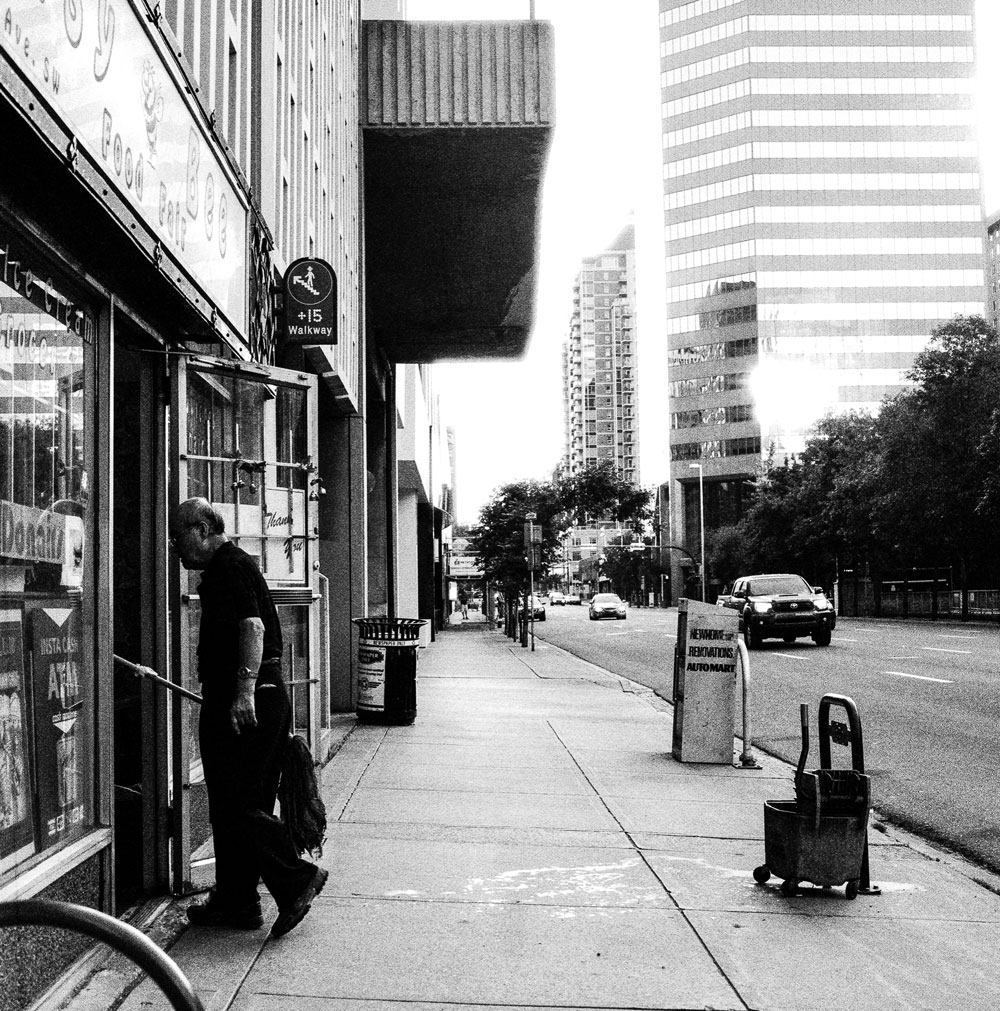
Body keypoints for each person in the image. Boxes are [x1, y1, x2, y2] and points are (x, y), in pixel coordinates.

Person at [170, 497, 327, 937]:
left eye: (177, 535)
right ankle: (236, 899)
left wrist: (242, 693)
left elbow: (252, 627)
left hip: (248, 698)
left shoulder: (228, 566)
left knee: (239, 803)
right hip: (253, 696)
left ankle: (295, 879)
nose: (174, 547)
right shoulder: (227, 567)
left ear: (202, 528)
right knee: (231, 802)